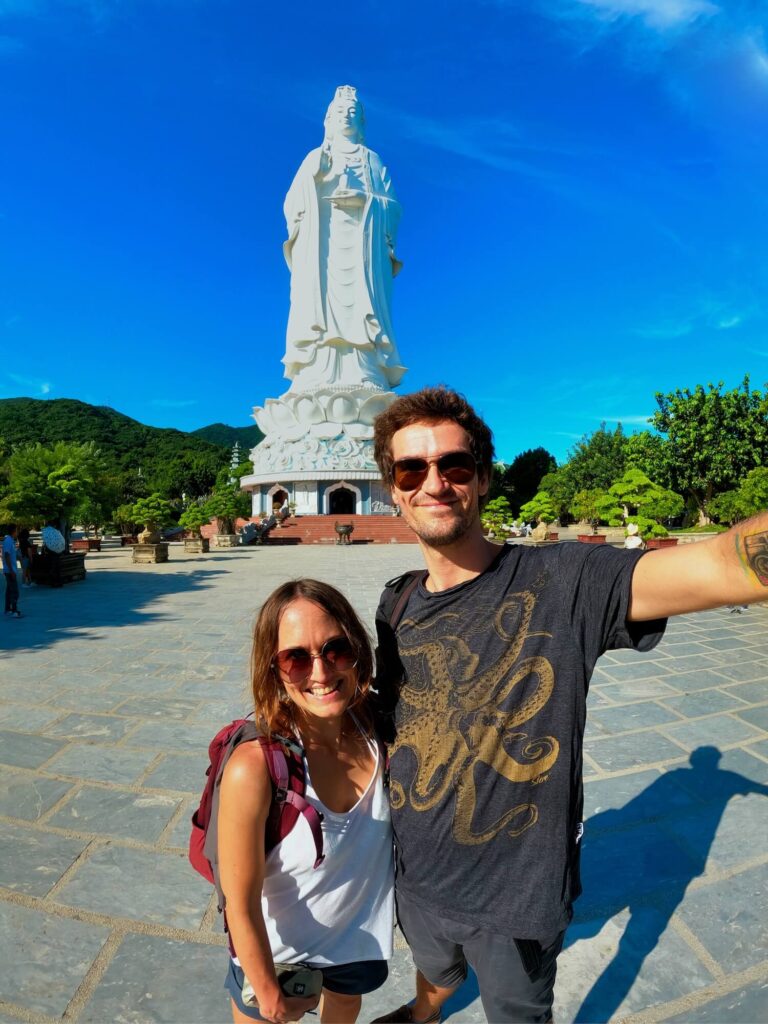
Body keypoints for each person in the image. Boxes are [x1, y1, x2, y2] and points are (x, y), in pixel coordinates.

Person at [369, 385, 768, 1024]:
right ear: (393, 488)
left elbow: (725, 566)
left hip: (514, 895)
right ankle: (425, 1009)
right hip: (415, 870)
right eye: (411, 468)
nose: (434, 483)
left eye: (455, 465)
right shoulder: (397, 602)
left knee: (518, 1011)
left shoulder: (564, 581)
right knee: (435, 968)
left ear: (485, 478)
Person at [218, 579, 394, 1024]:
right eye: (295, 657)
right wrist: (265, 991)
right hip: (277, 958)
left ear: (356, 649)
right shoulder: (255, 767)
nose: (319, 673)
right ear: (273, 669)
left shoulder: (379, 729)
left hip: (356, 945)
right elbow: (238, 901)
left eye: (335, 649)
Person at [282, 85, 406, 392]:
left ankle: (366, 370)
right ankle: (315, 372)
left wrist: (365, 201)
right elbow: (291, 205)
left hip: (364, 247)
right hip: (322, 243)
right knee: (319, 305)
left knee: (362, 306)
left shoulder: (372, 160)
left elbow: (393, 206)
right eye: (340, 112)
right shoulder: (315, 157)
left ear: (362, 122)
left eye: (353, 112)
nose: (346, 116)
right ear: (327, 119)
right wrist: (313, 177)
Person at [3, 524, 21, 618]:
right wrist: (11, 570)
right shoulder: (8, 541)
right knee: (14, 591)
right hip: (10, 571)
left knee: (9, 590)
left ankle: (7, 609)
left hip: (10, 569)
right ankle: (14, 610)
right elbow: (6, 555)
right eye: (17, 530)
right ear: (14, 531)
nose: (17, 532)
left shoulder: (10, 541)